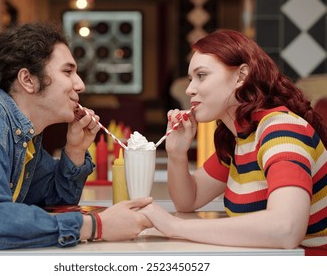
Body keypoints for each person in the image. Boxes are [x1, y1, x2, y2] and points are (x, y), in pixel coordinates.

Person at [0, 22, 152, 256]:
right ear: (28, 80)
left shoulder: (23, 136)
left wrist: (75, 151)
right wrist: (96, 226)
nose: (80, 84)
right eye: (67, 72)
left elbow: (54, 202)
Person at [140, 29, 327, 255]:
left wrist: (176, 227)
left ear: (241, 76)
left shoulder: (281, 130)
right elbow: (189, 200)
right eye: (191, 79)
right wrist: (177, 154)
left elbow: (286, 229)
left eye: (201, 75)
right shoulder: (241, 136)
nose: (189, 89)